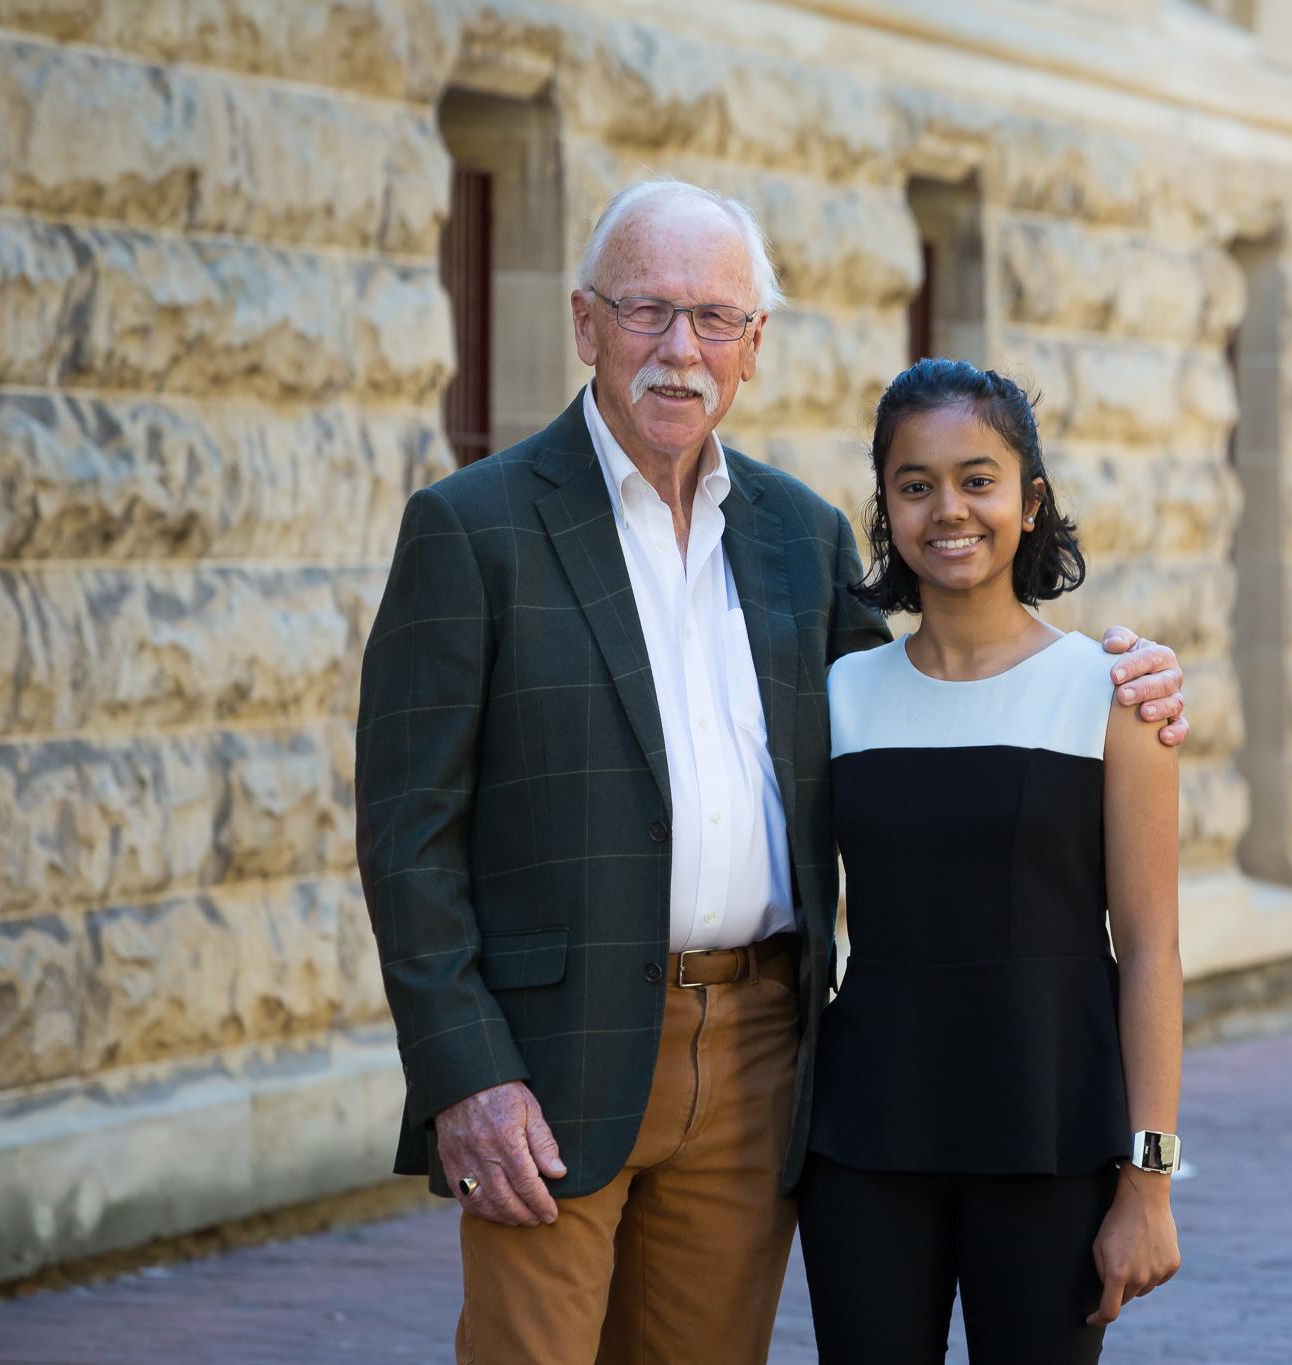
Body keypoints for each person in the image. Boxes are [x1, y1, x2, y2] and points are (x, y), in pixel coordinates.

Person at [352, 178, 1190, 1365]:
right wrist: (462, 1077)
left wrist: (1130, 673)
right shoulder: (472, 529)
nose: (678, 349)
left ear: (753, 347)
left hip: (759, 1062)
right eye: (645, 312)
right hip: (553, 1059)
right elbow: (406, 839)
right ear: (585, 325)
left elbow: (939, 699)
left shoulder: (800, 540)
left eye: (711, 318)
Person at [796, 359, 1184, 1364]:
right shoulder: (839, 695)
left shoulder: (1111, 693)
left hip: (1050, 1136)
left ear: (1029, 499)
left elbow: (1149, 952)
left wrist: (1147, 1180)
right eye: (914, 485)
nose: (948, 510)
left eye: (977, 479)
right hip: (866, 1144)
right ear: (884, 506)